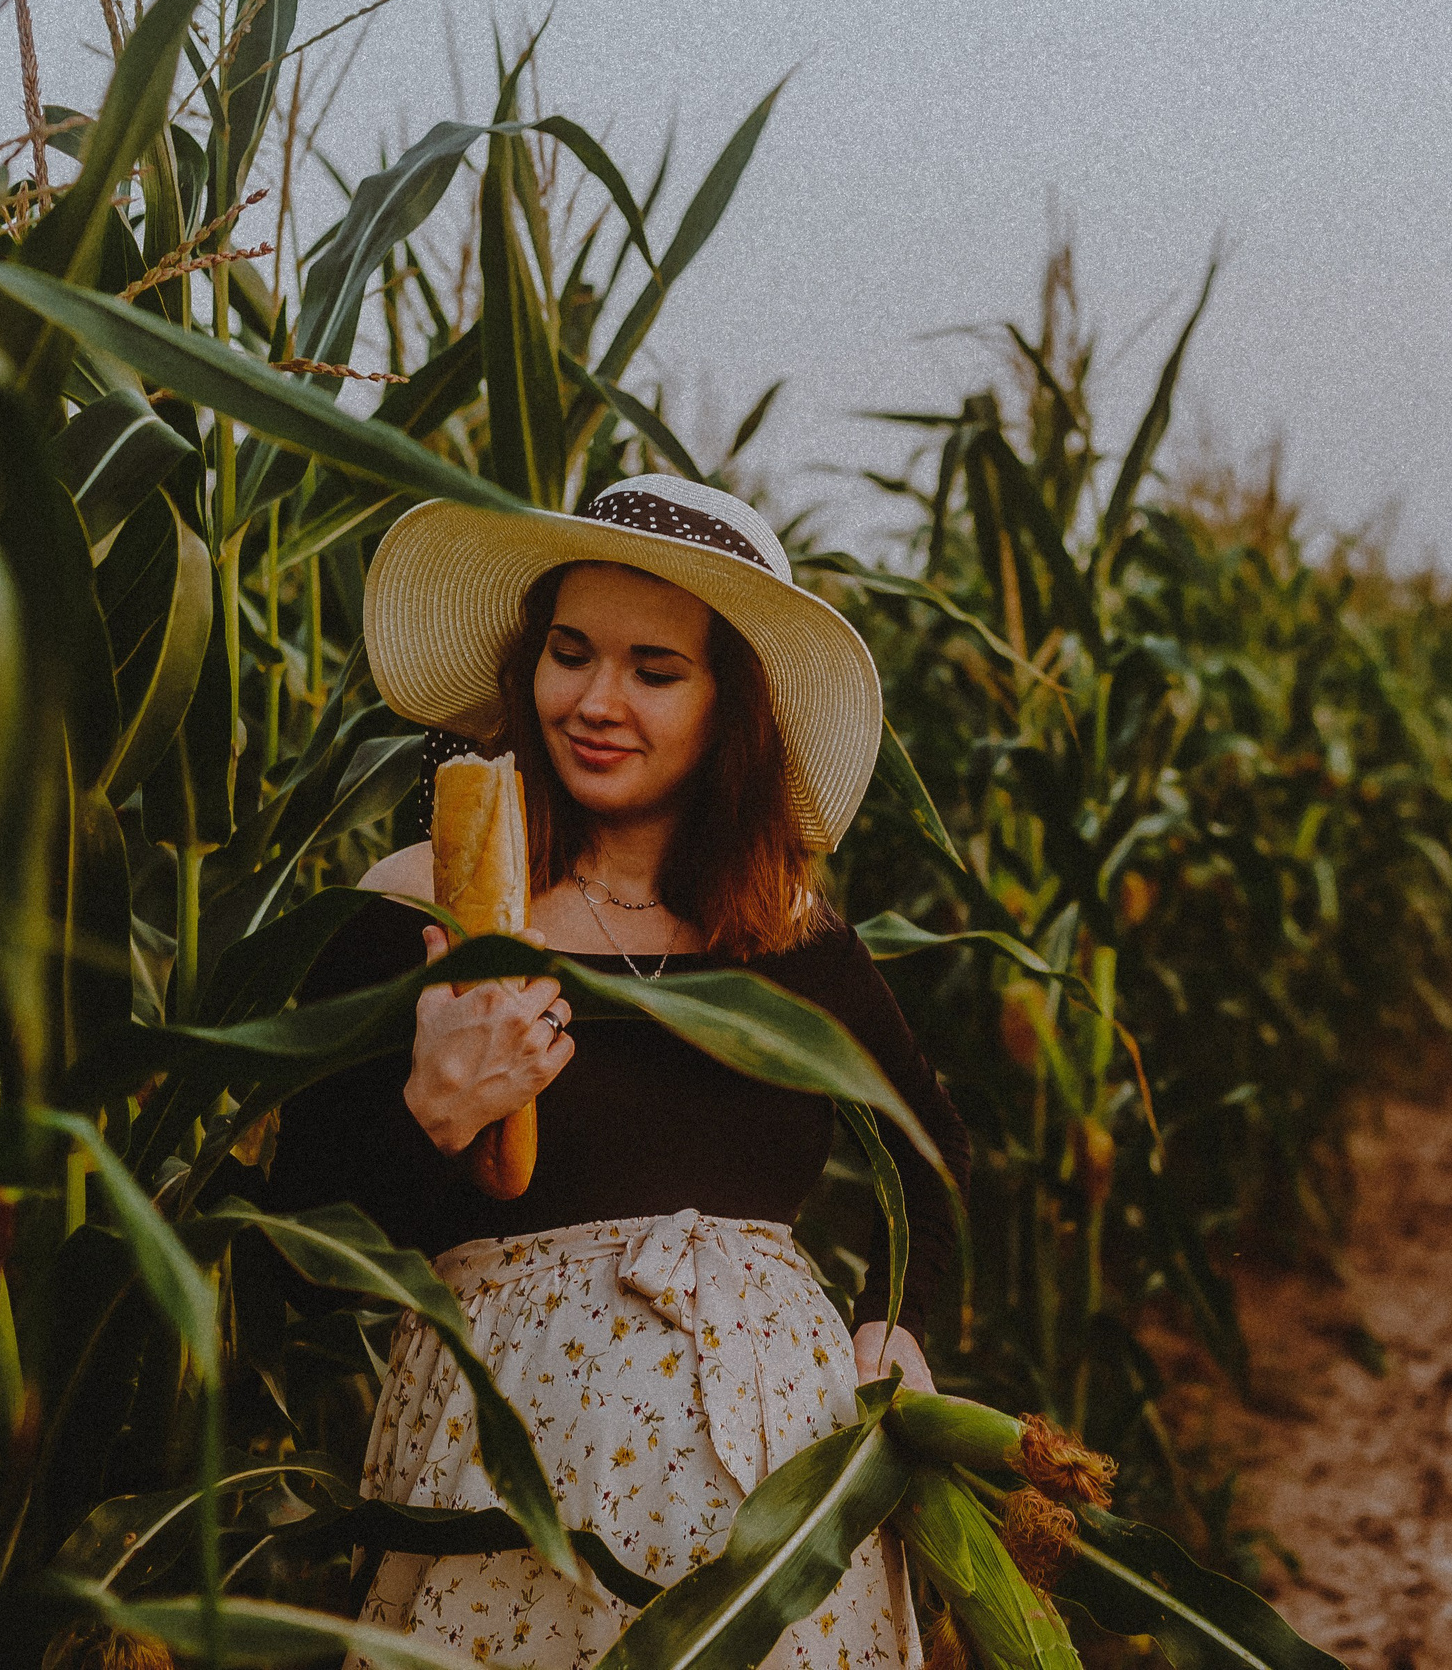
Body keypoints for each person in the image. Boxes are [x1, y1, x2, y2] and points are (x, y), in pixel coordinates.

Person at [266, 475, 971, 1670]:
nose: (596, 701)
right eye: (569, 652)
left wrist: (898, 1331)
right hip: (505, 1500)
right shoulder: (415, 907)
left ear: (728, 708)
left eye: (655, 670)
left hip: (775, 1516)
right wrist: (432, 1111)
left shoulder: (793, 939)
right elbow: (296, 1260)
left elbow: (935, 1165)